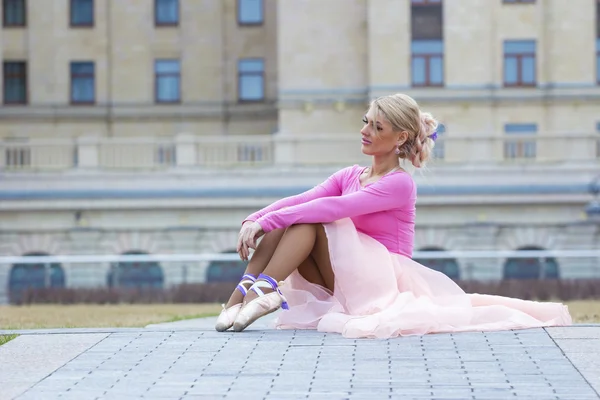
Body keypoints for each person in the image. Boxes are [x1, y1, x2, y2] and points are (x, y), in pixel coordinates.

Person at [215, 93, 572, 339]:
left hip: (383, 280)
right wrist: (255, 218)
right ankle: (240, 297)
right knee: (295, 215)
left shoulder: (399, 184)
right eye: (366, 122)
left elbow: (336, 209)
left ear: (400, 136)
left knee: (310, 219)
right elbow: (304, 197)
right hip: (342, 275)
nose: (365, 131)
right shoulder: (349, 175)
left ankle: (263, 292)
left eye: (377, 127)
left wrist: (267, 221)